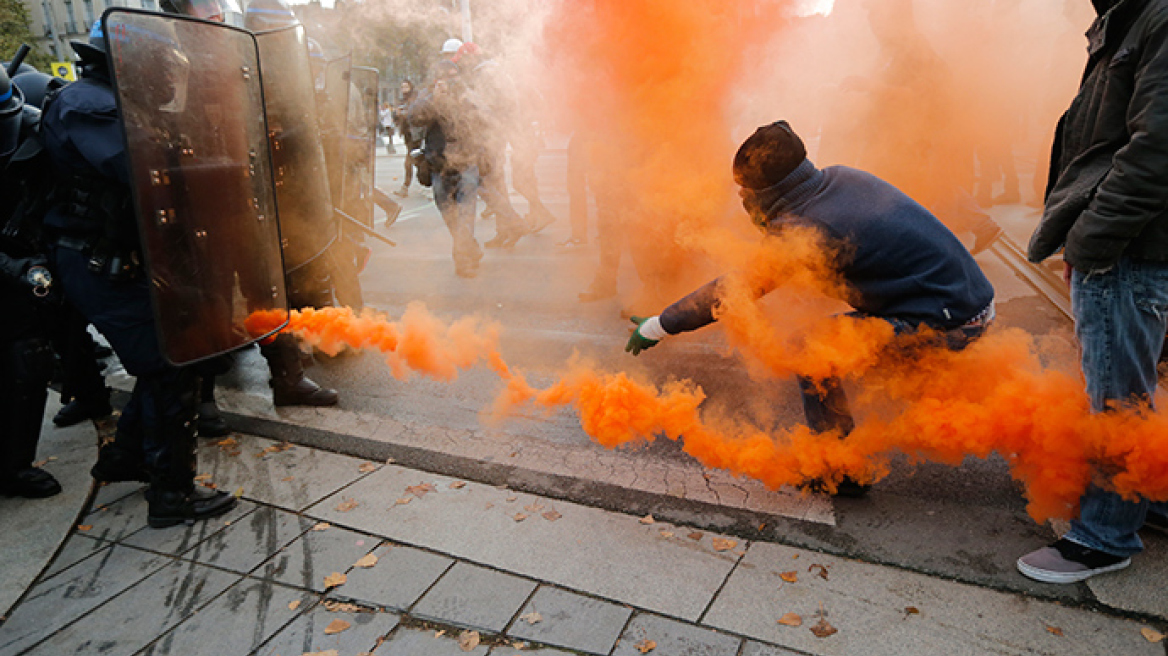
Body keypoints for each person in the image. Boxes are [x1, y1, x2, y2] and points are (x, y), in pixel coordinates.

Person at [625, 121, 996, 496]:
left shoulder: (806, 227)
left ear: (769, 191)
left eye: (746, 189)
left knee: (813, 351)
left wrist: (660, 324)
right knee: (837, 340)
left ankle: (840, 470)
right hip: (967, 297)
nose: (741, 196)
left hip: (951, 319)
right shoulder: (838, 177)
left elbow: (735, 289)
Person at [40, 20, 236, 525]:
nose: (170, 78)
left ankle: (125, 457)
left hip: (118, 255)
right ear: (134, 66)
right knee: (170, 362)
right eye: (162, 66)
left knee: (165, 358)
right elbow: (145, 169)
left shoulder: (120, 104)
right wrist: (221, 169)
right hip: (93, 258)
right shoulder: (90, 105)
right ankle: (172, 497)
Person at [1016, 0, 1168, 584]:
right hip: (1124, 245)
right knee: (1127, 386)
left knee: (1115, 399)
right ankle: (1144, 494)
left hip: (1130, 248)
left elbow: (1155, 150)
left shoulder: (1156, 18)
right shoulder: (1130, 19)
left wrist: (1090, 240)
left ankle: (1104, 538)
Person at [0, 65, 62, 499]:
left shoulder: (35, 130)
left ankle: (14, 465)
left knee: (28, 359)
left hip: (24, 257)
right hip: (10, 263)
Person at [408, 59, 489, 278]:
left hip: (466, 164)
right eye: (445, 77)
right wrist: (435, 99)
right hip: (439, 165)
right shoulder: (429, 96)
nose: (451, 81)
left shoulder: (468, 95)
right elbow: (413, 118)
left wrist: (462, 101)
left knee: (465, 214)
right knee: (450, 216)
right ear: (436, 80)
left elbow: (484, 119)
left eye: (454, 76)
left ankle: (462, 260)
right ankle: (469, 248)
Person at [393, 79, 420, 198]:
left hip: (416, 135)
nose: (404, 89)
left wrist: (404, 114)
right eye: (402, 87)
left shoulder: (415, 99)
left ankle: (405, 187)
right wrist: (396, 115)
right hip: (408, 135)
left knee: (410, 162)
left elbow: (416, 114)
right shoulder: (401, 101)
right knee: (416, 162)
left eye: (406, 87)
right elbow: (397, 119)